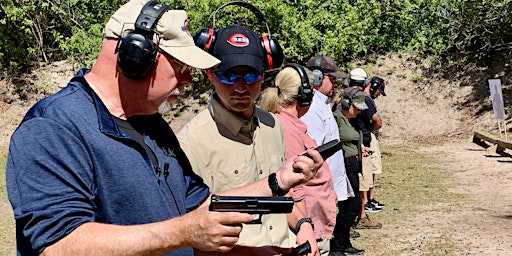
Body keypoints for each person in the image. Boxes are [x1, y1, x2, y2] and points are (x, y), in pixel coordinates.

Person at [5, 1, 322, 255]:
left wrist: (277, 185)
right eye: (181, 67)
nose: (187, 80)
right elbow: (60, 246)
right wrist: (185, 231)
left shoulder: (151, 124)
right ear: (136, 57)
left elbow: (198, 206)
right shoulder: (52, 128)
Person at [177, 25, 323, 253]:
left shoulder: (273, 125)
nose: (241, 86)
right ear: (210, 74)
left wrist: (303, 225)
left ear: (265, 74)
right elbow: (187, 233)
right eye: (229, 75)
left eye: (251, 75)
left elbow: (281, 194)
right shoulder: (190, 144)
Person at [260, 64, 338, 256]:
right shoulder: (287, 129)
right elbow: (294, 188)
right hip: (306, 224)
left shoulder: (287, 124)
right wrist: (306, 227)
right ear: (304, 96)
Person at [300, 56, 359, 256]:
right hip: (322, 187)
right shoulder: (311, 109)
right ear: (316, 78)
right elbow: (313, 153)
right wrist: (325, 188)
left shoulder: (322, 105)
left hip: (330, 184)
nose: (335, 83)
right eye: (331, 78)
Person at [331, 88, 369, 256]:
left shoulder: (351, 120)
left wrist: (360, 148)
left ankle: (344, 243)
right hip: (344, 166)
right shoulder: (336, 119)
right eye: (356, 107)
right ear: (346, 103)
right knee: (351, 208)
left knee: (350, 206)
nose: (359, 110)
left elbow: (351, 139)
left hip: (353, 166)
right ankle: (337, 246)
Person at [346, 68, 383, 230]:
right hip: (362, 142)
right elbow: (377, 120)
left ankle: (357, 216)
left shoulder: (343, 96)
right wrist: (371, 129)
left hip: (349, 143)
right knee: (362, 182)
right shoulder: (363, 98)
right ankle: (360, 217)